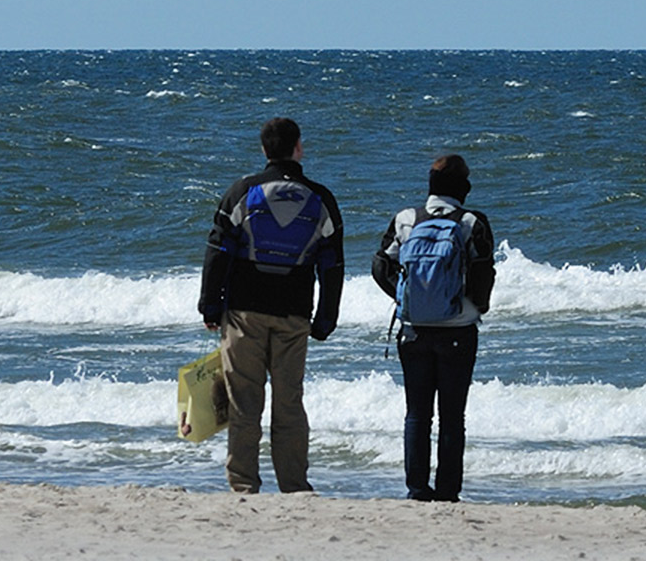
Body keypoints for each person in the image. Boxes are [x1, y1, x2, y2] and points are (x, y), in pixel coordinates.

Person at [197, 116, 344, 494]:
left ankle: (244, 485)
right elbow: (332, 265)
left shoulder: (242, 192)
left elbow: (218, 252)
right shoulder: (321, 198)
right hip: (294, 314)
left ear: (264, 150)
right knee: (289, 403)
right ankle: (294, 486)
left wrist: (210, 306)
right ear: (298, 148)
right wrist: (326, 317)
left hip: (244, 312)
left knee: (245, 402)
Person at [371, 154, 496, 503]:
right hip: (458, 330)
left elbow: (380, 265)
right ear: (463, 187)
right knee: (452, 416)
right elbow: (483, 274)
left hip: (413, 331)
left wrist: (404, 298)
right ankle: (447, 492)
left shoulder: (406, 219)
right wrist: (475, 304)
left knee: (417, 414)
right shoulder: (473, 222)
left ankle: (416, 489)